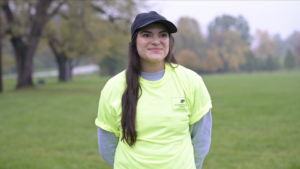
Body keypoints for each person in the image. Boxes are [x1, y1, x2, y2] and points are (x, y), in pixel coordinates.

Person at [95, 11, 212, 169]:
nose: (156, 41)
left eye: (163, 35)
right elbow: (107, 145)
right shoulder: (113, 87)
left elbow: (201, 139)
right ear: (134, 42)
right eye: (147, 35)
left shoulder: (191, 81)